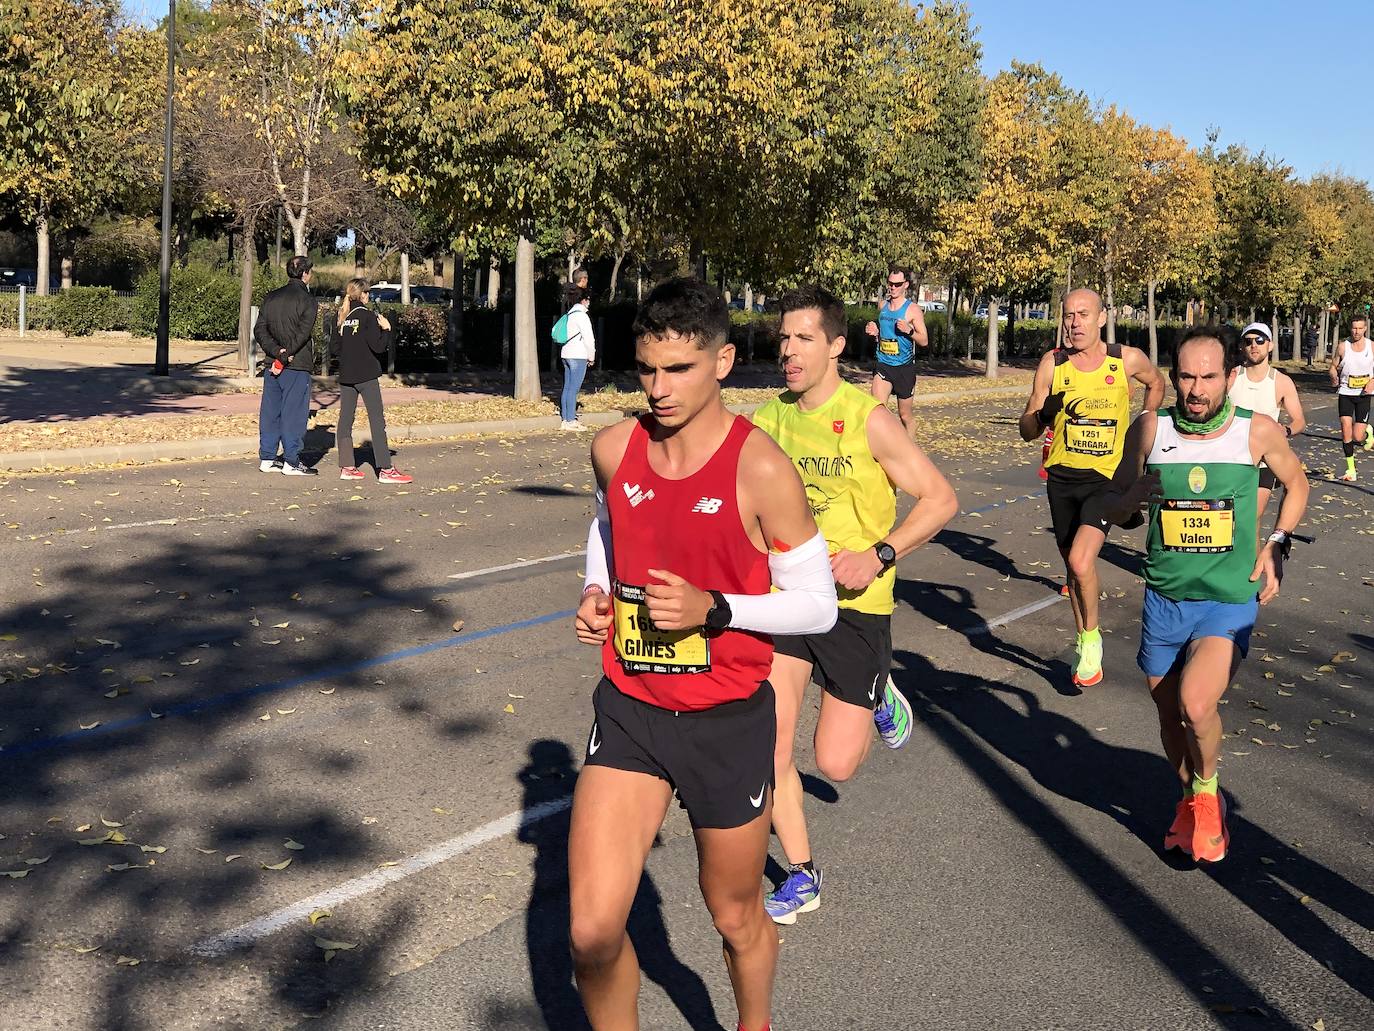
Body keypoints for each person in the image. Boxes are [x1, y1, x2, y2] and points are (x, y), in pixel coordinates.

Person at [570, 278, 837, 1031]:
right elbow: (606, 523)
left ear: (722, 362)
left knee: (735, 912)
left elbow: (819, 603)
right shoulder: (614, 448)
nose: (658, 388)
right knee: (591, 935)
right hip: (631, 712)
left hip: (726, 722)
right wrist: (597, 588)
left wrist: (715, 609)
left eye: (678, 369)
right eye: (646, 369)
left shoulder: (761, 467)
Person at [752, 285, 958, 925]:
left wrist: (879, 553)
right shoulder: (765, 421)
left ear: (837, 346)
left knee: (835, 763)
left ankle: (879, 693)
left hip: (856, 605)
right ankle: (803, 873)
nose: (789, 350)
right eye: (784, 338)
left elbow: (939, 499)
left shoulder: (870, 417)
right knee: (771, 745)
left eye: (804, 338)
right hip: (787, 601)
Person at [1104, 325, 1308, 862]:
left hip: (1226, 600)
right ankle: (1190, 799)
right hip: (1165, 600)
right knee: (1170, 718)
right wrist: (1132, 498)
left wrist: (1277, 545)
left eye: (1209, 377)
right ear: (1173, 378)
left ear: (1229, 376)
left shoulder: (1256, 432)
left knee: (1197, 703)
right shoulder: (1149, 428)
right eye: (1188, 376)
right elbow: (1119, 510)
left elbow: (1298, 482)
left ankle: (1208, 792)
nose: (1197, 389)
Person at [1019, 288, 1165, 688]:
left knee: (1082, 562)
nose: (1074, 322)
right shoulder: (1053, 364)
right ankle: (1085, 638)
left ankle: (1092, 639)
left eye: (1083, 314)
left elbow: (1157, 382)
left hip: (1106, 478)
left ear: (1102, 317)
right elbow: (1026, 430)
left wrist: (1142, 429)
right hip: (1062, 478)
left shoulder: (1125, 360)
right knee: (1073, 566)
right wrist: (1044, 414)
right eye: (1068, 315)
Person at [331, 278, 412, 483]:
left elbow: (334, 349)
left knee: (345, 420)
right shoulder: (368, 317)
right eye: (368, 293)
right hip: (366, 375)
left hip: (347, 376)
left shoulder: (341, 317)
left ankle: (347, 466)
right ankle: (385, 468)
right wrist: (386, 329)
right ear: (364, 295)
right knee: (376, 420)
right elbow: (378, 347)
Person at [1227, 322, 1304, 530]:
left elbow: (1299, 420)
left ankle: (1253, 563)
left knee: (1250, 517)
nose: (1254, 345)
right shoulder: (1232, 376)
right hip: (1230, 459)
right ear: (1242, 346)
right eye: (1248, 341)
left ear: (1270, 345)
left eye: (1260, 340)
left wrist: (1285, 430)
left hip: (1264, 461)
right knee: (1230, 520)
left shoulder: (1281, 381)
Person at [255, 255, 320, 475]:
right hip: (296, 364)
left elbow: (260, 330)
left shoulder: (271, 297)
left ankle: (268, 457)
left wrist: (276, 352)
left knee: (271, 411)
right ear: (304, 274)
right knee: (294, 413)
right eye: (309, 271)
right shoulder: (308, 300)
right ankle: (292, 461)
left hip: (272, 364)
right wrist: (286, 354)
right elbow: (303, 333)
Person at [863, 266, 927, 435]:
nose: (892, 287)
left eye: (897, 284)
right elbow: (884, 336)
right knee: (876, 410)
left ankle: (909, 447)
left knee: (905, 415)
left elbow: (924, 340)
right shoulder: (882, 305)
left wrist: (909, 330)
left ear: (905, 285)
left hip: (904, 368)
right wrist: (875, 332)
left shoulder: (912, 310)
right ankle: (885, 446)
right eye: (890, 283)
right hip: (884, 365)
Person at [1329, 315, 1374, 480]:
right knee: (1345, 429)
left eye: (1360, 328)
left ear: (1365, 329)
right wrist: (1333, 376)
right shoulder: (1343, 347)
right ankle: (1351, 470)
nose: (1357, 331)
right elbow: (1333, 366)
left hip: (1364, 394)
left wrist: (1372, 382)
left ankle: (1367, 431)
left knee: (1357, 436)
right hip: (1346, 392)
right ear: (1351, 328)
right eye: (1354, 328)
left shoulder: (1372, 347)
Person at [560, 288, 596, 431]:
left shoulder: (569, 314)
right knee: (574, 389)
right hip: (578, 355)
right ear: (584, 300)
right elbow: (589, 338)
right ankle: (571, 420)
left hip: (566, 354)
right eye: (588, 300)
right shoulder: (582, 316)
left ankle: (565, 418)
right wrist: (591, 356)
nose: (589, 303)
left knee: (567, 387)